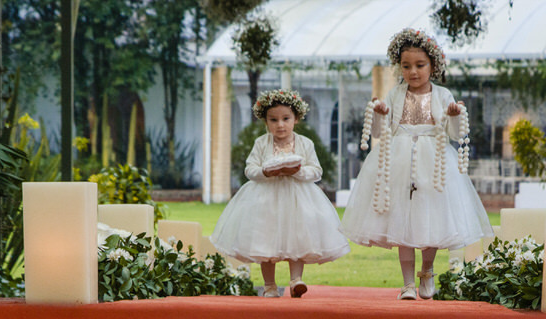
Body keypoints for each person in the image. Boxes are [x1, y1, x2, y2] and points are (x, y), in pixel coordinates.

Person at [341, 28, 493, 300]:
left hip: (433, 163)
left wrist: (455, 114)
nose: (413, 72)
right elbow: (379, 131)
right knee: (401, 220)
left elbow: (457, 134)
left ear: (433, 65)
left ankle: (427, 270)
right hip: (398, 161)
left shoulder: (443, 94)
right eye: (406, 66)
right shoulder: (395, 94)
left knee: (430, 218)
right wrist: (379, 114)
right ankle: (408, 283)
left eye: (420, 65)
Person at [210, 89, 349, 298]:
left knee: (298, 237)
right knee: (266, 239)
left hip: (297, 199)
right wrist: (265, 171)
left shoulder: (305, 144)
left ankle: (296, 281)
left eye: (286, 119)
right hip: (267, 199)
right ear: (266, 122)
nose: (280, 125)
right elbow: (250, 169)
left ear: (296, 119)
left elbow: (316, 171)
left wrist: (298, 171)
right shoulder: (261, 143)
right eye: (273, 120)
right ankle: (269, 285)